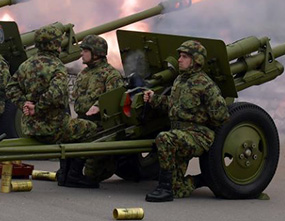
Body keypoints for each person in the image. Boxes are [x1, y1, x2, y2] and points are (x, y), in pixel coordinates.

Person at [6, 24, 98, 188]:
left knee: (72, 128)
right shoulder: (57, 66)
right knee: (89, 129)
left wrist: (24, 103)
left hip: (29, 127)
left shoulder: (26, 65)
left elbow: (11, 88)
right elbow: (56, 95)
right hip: (52, 128)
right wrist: (38, 107)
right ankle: (73, 175)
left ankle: (64, 174)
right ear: (55, 44)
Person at [141, 40, 230, 202]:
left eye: (184, 56)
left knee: (164, 138)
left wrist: (202, 123)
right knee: (179, 189)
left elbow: (222, 116)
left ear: (196, 60)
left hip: (197, 135)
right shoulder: (179, 81)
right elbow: (172, 105)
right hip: (180, 134)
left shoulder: (206, 85)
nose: (179, 60)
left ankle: (164, 188)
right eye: (180, 56)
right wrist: (153, 99)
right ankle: (202, 180)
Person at [72, 34, 124, 184]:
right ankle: (70, 173)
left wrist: (98, 107)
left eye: (85, 51)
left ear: (96, 53)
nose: (81, 54)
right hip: (82, 120)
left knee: (93, 174)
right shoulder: (84, 73)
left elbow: (114, 99)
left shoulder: (111, 75)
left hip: (101, 126)